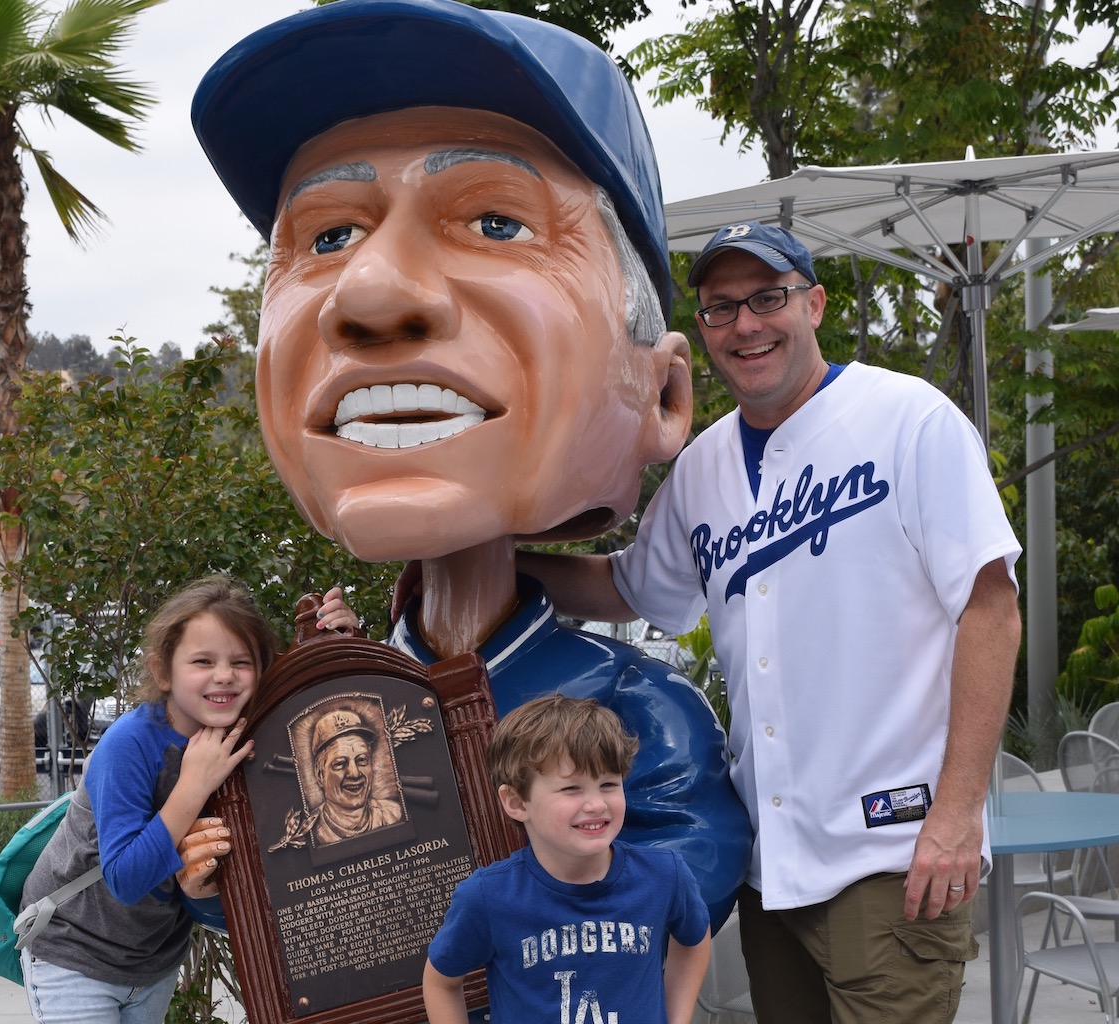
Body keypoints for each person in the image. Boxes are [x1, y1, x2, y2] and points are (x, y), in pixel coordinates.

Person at [187, 0, 751, 932]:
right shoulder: (317, 721)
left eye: (494, 222)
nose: (369, 291)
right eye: (327, 238)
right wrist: (216, 884)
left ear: (664, 396)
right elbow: (288, 914)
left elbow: (689, 873)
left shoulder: (633, 709)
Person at [518, 221, 1024, 1024]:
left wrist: (958, 811)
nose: (746, 325)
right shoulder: (704, 466)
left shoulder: (908, 419)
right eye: (722, 309)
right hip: (773, 866)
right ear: (703, 333)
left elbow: (992, 610)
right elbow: (632, 588)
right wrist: (491, 559)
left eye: (768, 298)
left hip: (892, 855)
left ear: (814, 303)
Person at [19, 578, 356, 1024]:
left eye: (242, 661)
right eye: (202, 661)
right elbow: (124, 878)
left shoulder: (250, 741)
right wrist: (193, 786)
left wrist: (345, 644)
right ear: (163, 672)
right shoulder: (129, 746)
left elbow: (221, 892)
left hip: (154, 963)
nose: (224, 675)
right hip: (74, 955)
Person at [422, 694, 710, 1024]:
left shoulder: (664, 876)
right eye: (572, 788)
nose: (597, 804)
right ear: (516, 802)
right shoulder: (487, 898)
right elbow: (441, 982)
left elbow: (694, 942)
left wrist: (678, 1019)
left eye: (608, 784)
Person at [307, 706, 404, 845]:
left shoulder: (393, 815)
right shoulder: (310, 832)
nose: (354, 773)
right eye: (340, 763)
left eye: (362, 760)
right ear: (320, 775)